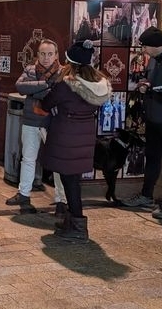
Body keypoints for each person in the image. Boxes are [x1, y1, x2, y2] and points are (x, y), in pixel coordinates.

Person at [40, 40, 112, 241]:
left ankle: (78, 226)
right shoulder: (99, 84)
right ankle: (71, 221)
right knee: (73, 181)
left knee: (69, 181)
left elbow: (47, 104)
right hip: (85, 135)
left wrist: (53, 106)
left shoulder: (67, 84)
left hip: (65, 136)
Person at [122, 26, 162, 220]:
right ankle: (146, 196)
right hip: (153, 118)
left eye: (145, 46)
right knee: (152, 158)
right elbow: (152, 81)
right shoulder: (154, 60)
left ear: (155, 46)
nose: (143, 50)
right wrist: (146, 85)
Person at [5, 38, 60, 213]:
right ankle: (24, 193)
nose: (46, 58)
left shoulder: (63, 72)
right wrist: (45, 85)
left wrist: (36, 90)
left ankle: (61, 199)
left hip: (52, 122)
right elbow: (20, 87)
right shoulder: (30, 69)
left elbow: (57, 94)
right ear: (37, 55)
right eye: (43, 54)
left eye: (50, 54)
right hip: (30, 120)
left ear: (56, 55)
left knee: (58, 162)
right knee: (28, 158)